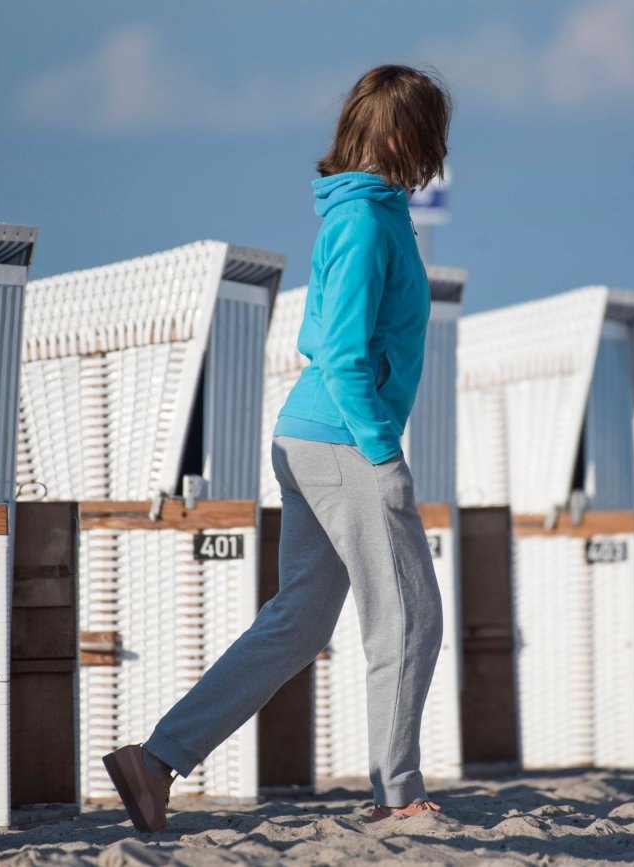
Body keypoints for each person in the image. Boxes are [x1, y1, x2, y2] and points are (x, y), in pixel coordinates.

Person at [102, 63, 454, 833]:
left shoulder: (363, 213)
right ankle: (398, 791)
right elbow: (340, 347)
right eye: (431, 135)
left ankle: (154, 762)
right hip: (342, 441)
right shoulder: (364, 220)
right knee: (411, 615)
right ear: (401, 134)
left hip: (311, 436)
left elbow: (312, 334)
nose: (436, 153)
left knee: (298, 623)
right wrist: (382, 453)